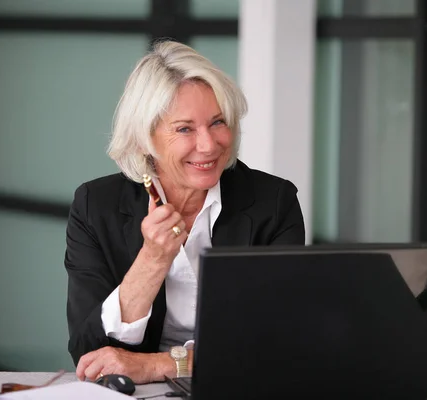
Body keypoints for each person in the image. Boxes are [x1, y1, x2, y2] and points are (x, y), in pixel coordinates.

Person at [64, 40, 305, 383]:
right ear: (145, 137)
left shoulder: (273, 202)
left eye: (218, 122)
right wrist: (153, 258)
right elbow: (90, 355)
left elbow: (278, 342)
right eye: (184, 128)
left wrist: (157, 366)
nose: (209, 145)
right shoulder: (95, 206)